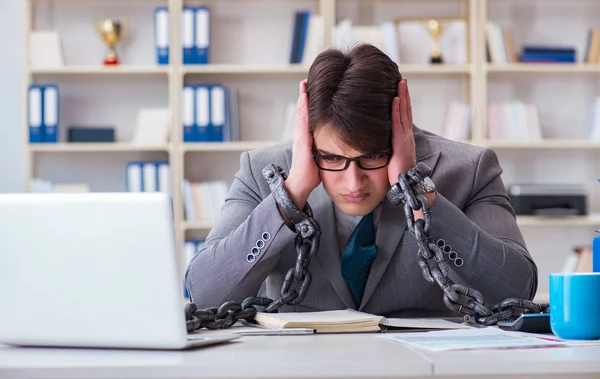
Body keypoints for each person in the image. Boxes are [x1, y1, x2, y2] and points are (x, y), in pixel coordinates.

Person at [184, 43, 538, 318]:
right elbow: (205, 294)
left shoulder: (472, 169)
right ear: (309, 137)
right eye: (333, 158)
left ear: (401, 127)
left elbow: (516, 291)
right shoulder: (264, 172)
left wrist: (420, 191)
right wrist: (289, 196)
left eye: (372, 157)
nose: (353, 183)